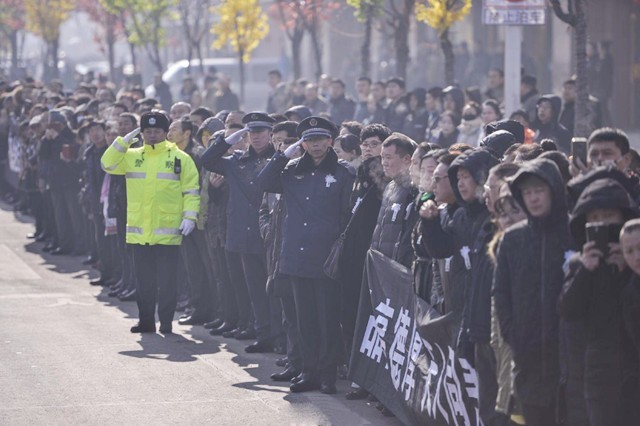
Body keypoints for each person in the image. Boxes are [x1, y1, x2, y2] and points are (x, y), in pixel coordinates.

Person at [258, 116, 355, 394]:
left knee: (327, 321)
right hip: (296, 257)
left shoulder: (342, 173)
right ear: (303, 143)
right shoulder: (290, 170)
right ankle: (307, 372)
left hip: (325, 259)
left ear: (330, 141)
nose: (315, 145)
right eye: (309, 140)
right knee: (304, 320)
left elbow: (347, 214)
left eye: (320, 139)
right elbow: (262, 182)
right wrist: (282, 155)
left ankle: (327, 375)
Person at [100, 111, 200, 334]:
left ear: (166, 133)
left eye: (157, 131)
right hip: (140, 232)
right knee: (143, 282)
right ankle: (146, 321)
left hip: (168, 232)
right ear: (142, 133)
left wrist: (189, 217)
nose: (152, 135)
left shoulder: (181, 158)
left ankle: (165, 322)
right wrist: (123, 141)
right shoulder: (131, 156)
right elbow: (107, 163)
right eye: (147, 131)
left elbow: (191, 191)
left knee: (167, 282)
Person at [420, 148, 500, 425]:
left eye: (468, 176)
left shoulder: (495, 219)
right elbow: (442, 249)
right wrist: (429, 223)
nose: (463, 183)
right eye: (459, 177)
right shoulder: (462, 216)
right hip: (468, 316)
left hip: (493, 321)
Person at [494, 158, 571, 425]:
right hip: (528, 355)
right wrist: (512, 332)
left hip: (570, 358)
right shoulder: (513, 239)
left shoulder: (575, 233)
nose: (533, 198)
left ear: (554, 190)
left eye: (539, 190)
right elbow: (501, 292)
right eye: (527, 193)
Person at [558, 177, 638, 426]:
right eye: (595, 217)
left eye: (609, 215)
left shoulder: (634, 260)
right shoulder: (579, 264)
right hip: (599, 373)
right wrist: (585, 270)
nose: (602, 222)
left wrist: (629, 269)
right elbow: (568, 311)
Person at [201, 112, 277, 353]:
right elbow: (208, 159)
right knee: (253, 288)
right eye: (251, 133)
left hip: (270, 234)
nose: (255, 138)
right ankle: (263, 334)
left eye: (260, 133)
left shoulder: (279, 159)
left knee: (275, 291)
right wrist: (230, 138)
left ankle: (281, 338)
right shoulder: (236, 161)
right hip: (243, 233)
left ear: (270, 134)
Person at [166, 117, 217, 326]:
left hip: (196, 219)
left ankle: (209, 310)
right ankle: (198, 307)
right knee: (192, 267)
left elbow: (197, 189)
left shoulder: (195, 155)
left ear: (187, 133)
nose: (169, 133)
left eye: (174, 129)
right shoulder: (172, 154)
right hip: (181, 218)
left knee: (204, 267)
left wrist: (192, 215)